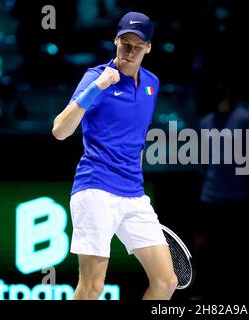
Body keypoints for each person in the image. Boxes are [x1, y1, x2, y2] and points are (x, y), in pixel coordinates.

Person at [52, 12, 178, 300]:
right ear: (115, 42)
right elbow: (60, 130)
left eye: (137, 46)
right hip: (96, 189)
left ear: (149, 48)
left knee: (166, 281)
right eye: (125, 44)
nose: (130, 52)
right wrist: (97, 88)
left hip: (134, 194)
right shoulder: (95, 78)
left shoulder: (151, 84)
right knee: (93, 287)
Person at [191, 80, 249, 299]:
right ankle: (203, 295)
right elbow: (203, 164)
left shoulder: (245, 120)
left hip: (237, 199)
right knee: (205, 252)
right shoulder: (205, 123)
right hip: (210, 198)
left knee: (234, 256)